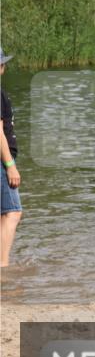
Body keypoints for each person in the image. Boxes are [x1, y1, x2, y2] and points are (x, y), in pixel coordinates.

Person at [1, 48, 22, 268]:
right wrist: (9, 165)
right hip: (1, 160)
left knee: (3, 213)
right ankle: (2, 266)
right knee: (13, 212)